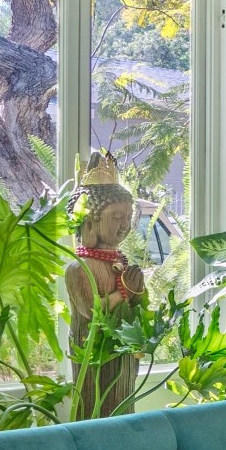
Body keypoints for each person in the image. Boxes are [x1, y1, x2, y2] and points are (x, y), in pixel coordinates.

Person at [66, 154, 150, 417]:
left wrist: (137, 294)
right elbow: (92, 312)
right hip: (95, 352)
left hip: (122, 351)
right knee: (97, 407)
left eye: (128, 217)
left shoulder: (120, 261)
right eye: (116, 217)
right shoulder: (80, 268)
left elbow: (134, 303)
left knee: (123, 404)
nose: (124, 225)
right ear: (90, 221)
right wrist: (124, 292)